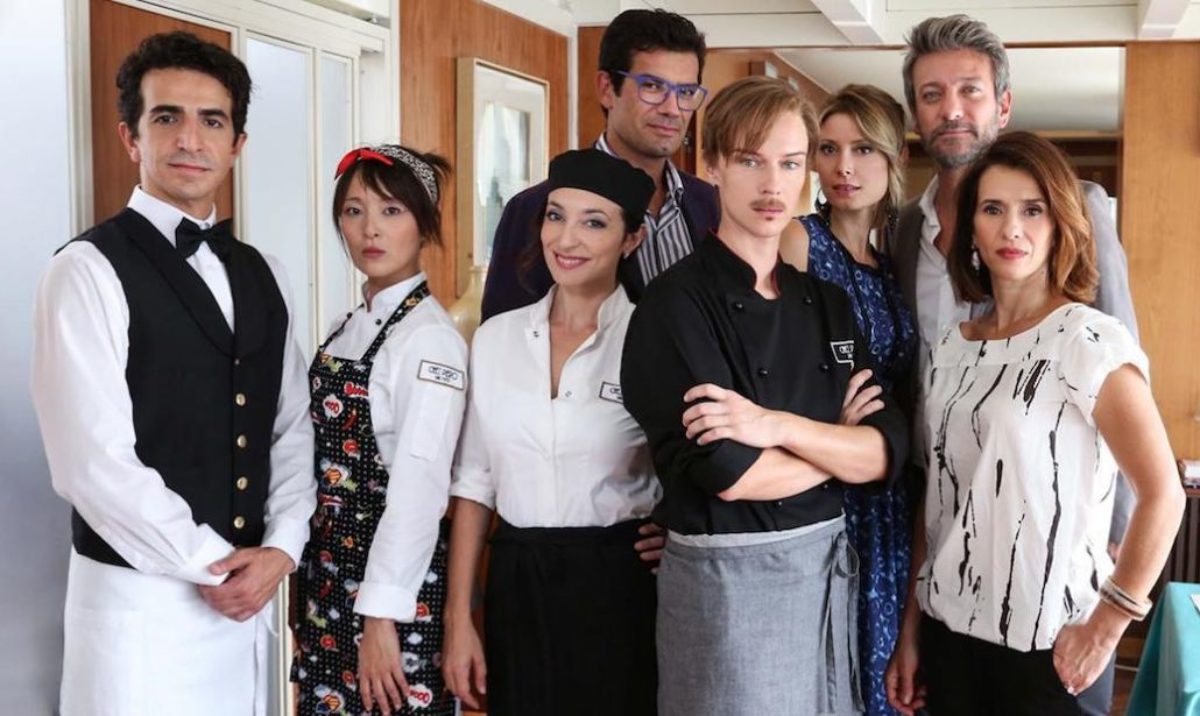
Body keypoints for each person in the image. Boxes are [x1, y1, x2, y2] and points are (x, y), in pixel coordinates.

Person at [30, 32, 315, 715]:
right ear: (130, 137)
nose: (191, 139)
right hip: (138, 607)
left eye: (212, 121)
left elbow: (290, 426)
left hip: (245, 603)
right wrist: (211, 562)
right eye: (167, 117)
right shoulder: (85, 270)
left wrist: (282, 548)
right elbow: (90, 465)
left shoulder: (266, 274)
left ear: (237, 144)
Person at [621, 76, 909, 716]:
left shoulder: (827, 303)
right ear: (712, 165)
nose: (773, 184)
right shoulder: (675, 305)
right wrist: (838, 449)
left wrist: (775, 426)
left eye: (791, 163)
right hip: (727, 585)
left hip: (826, 573)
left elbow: (887, 448)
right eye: (751, 161)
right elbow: (730, 472)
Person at [885, 132, 1185, 715]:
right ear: (971, 229)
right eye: (992, 209)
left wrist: (1108, 625)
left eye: (1032, 210)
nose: (1011, 229)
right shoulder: (951, 348)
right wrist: (912, 630)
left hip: (1050, 644)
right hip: (950, 635)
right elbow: (940, 497)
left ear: (1060, 224)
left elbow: (1163, 493)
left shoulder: (1087, 340)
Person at [444, 149, 660, 715]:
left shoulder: (652, 339)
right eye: (556, 216)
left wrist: (678, 529)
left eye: (594, 223)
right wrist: (459, 618)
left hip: (621, 585)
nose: (566, 239)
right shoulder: (495, 339)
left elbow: (689, 463)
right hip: (518, 582)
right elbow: (475, 483)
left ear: (631, 239)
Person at [290, 145, 466, 716]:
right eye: (354, 211)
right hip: (329, 578)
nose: (370, 229)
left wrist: (382, 618)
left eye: (392, 211)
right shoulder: (348, 325)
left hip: (392, 590)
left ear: (424, 224)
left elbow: (420, 489)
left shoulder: (428, 340)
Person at [780, 84, 918, 716]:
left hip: (890, 496)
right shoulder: (800, 241)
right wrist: (827, 421)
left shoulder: (894, 264)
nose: (843, 166)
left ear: (893, 158)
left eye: (863, 149)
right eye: (828, 149)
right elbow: (774, 370)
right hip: (825, 489)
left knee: (885, 676)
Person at [481, 7, 719, 320]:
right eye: (652, 86)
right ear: (607, 89)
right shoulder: (532, 209)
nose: (673, 109)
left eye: (686, 92)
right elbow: (505, 336)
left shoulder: (711, 204)